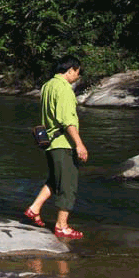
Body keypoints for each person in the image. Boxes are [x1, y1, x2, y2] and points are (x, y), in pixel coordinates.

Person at [24, 55, 88, 239]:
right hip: (63, 143)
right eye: (78, 72)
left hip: (49, 143)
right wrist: (79, 144)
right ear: (70, 70)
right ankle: (62, 226)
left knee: (55, 179)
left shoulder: (47, 86)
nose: (78, 76)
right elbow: (66, 119)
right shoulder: (64, 88)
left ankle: (34, 209)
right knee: (68, 184)